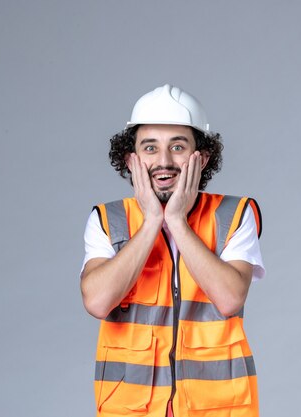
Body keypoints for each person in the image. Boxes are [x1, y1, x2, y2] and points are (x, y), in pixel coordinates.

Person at [80, 84, 265, 417]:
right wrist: (152, 221)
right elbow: (96, 301)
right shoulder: (109, 220)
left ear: (202, 157)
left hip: (219, 409)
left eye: (177, 147)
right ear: (131, 158)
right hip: (130, 409)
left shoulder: (235, 215)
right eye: (150, 148)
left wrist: (177, 221)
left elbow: (230, 298)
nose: (163, 161)